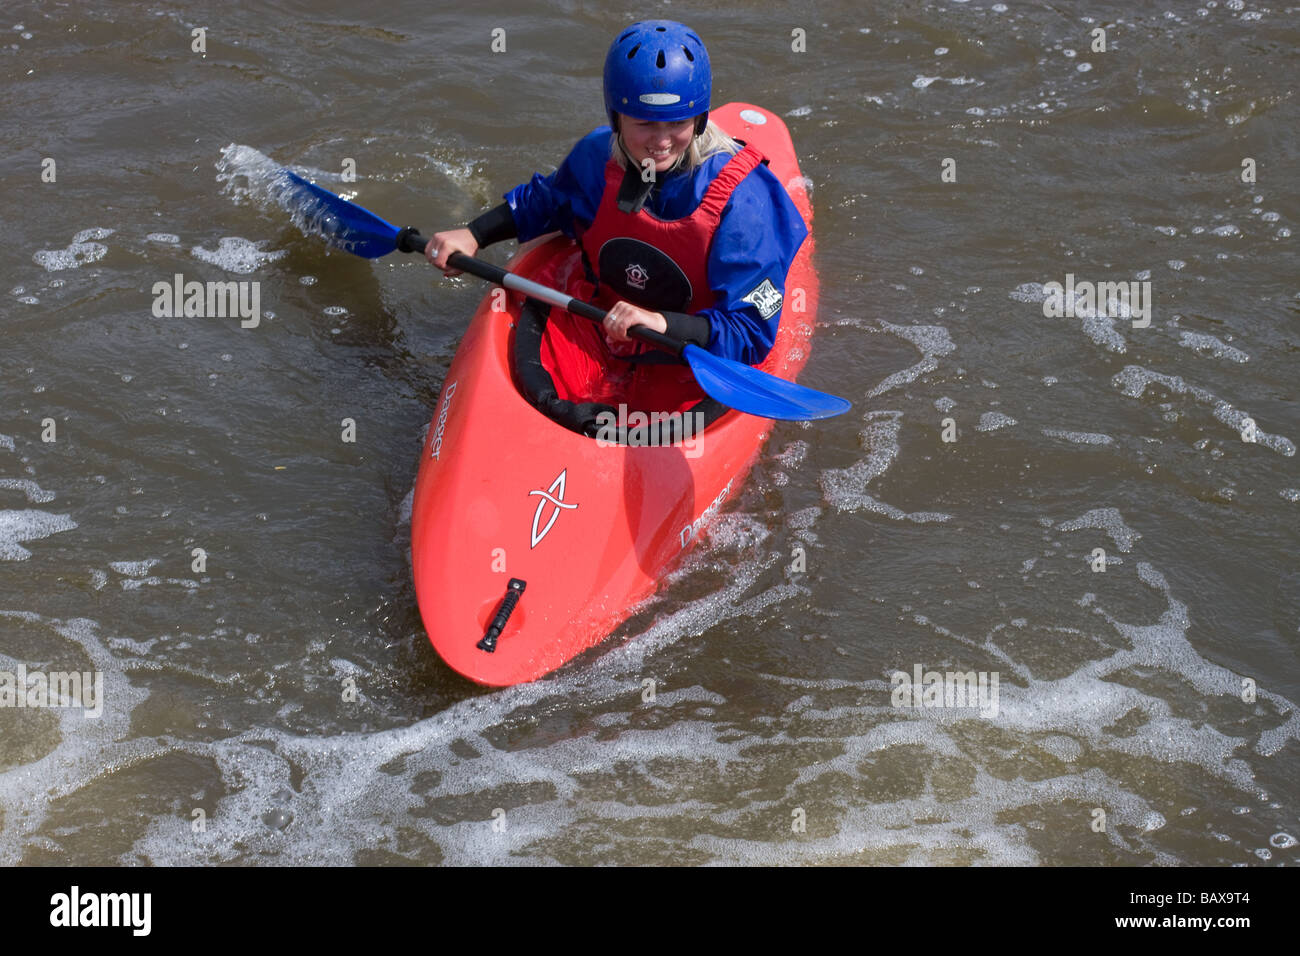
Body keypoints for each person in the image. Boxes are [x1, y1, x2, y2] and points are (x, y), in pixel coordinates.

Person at [423, 20, 808, 419]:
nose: (661, 142)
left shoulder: (743, 203)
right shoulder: (596, 157)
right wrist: (474, 234)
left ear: (699, 119)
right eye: (644, 123)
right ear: (616, 117)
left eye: (677, 123)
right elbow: (548, 201)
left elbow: (749, 333)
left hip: (696, 354)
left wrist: (661, 323)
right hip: (604, 324)